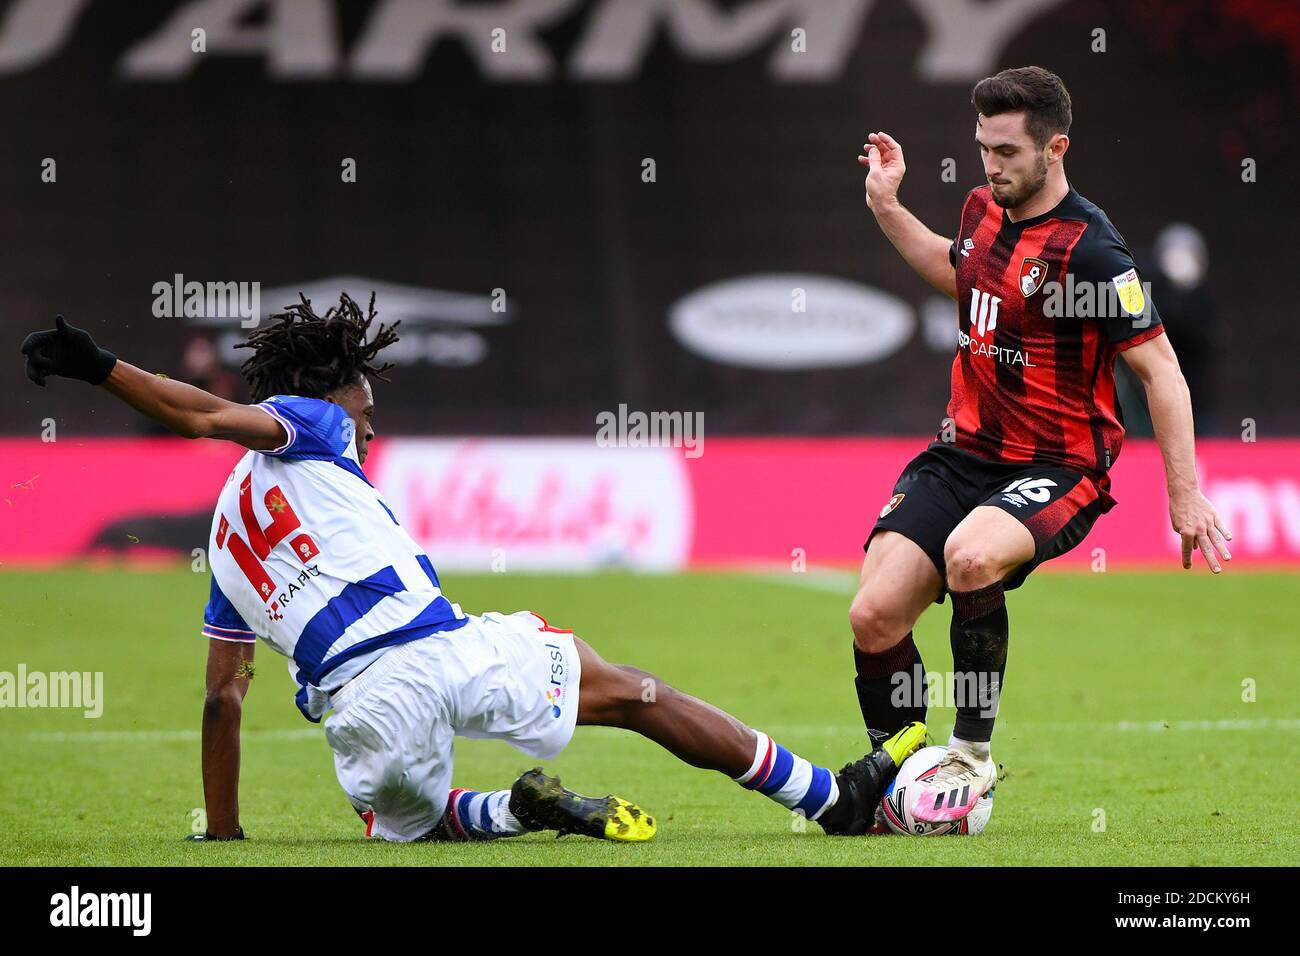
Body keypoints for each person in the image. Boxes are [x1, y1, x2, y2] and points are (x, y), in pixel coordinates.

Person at [21, 299, 926, 843]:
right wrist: (99, 367)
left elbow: (224, 701)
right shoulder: (314, 423)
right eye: (367, 408)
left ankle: (518, 811)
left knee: (403, 820)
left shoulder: (223, 544)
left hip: (361, 709)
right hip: (442, 649)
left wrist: (222, 835)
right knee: (636, 693)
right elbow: (203, 416)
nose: (370, 428)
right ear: (331, 399)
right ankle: (827, 799)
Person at [850, 66, 1232, 824]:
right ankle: (904, 777)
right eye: (984, 147)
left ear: (1055, 149)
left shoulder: (1093, 253)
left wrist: (1184, 492)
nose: (992, 166)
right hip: (961, 452)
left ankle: (970, 754)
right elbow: (954, 275)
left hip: (1058, 466)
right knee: (873, 616)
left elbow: (1162, 372)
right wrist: (887, 205)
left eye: (1008, 153)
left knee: (970, 558)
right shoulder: (979, 211)